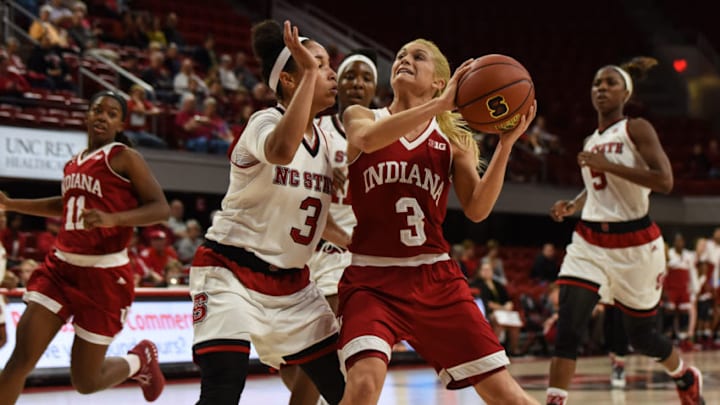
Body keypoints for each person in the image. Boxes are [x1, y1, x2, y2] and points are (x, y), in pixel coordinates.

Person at [338, 38, 538, 405]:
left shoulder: (452, 140)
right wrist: (439, 105)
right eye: (400, 55)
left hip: (435, 279)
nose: (404, 60)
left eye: (418, 57)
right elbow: (365, 141)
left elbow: (478, 209)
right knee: (364, 387)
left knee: (509, 396)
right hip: (371, 280)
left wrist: (505, 145)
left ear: (439, 82)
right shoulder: (362, 116)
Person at [188, 20, 347, 405]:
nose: (329, 72)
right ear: (291, 80)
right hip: (230, 272)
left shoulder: (325, 142)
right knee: (223, 389)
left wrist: (359, 244)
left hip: (293, 286)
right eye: (316, 63)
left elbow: (313, 220)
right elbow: (280, 152)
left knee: (346, 391)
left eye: (326, 65)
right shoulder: (264, 122)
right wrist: (309, 69)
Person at [546, 57, 704, 405]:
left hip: (636, 245)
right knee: (568, 329)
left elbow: (664, 181)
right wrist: (573, 205)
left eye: (609, 83)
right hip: (589, 242)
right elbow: (599, 186)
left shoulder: (637, 128)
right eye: (596, 84)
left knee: (643, 336)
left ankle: (684, 375)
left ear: (625, 93)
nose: (600, 88)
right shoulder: (590, 140)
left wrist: (609, 165)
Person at [0, 90, 169, 404]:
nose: (102, 116)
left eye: (111, 113)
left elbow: (161, 208)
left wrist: (112, 219)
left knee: (86, 382)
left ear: (120, 123)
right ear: (87, 116)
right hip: (60, 270)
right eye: (96, 110)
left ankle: (139, 359)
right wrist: (12, 204)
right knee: (19, 361)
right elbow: (62, 205)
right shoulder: (73, 164)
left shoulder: (124, 157)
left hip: (103, 278)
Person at [281, 48, 379, 405]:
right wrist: (318, 174)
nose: (356, 83)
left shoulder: (381, 134)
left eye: (366, 78)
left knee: (321, 346)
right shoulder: (314, 128)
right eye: (349, 75)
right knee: (291, 364)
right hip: (301, 253)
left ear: (374, 89)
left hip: (346, 255)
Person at [663, 233, 698, 351]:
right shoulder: (669, 254)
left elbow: (692, 273)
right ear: (674, 242)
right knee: (669, 314)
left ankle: (683, 341)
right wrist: (664, 290)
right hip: (671, 289)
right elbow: (665, 272)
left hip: (683, 289)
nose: (680, 243)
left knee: (684, 315)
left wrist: (694, 289)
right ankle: (668, 341)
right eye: (677, 241)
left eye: (681, 241)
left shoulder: (688, 255)